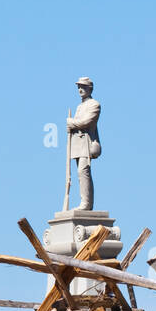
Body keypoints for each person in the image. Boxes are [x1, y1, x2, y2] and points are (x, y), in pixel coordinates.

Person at [66, 76, 101, 210]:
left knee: (83, 171)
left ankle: (86, 203)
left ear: (90, 89)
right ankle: (84, 201)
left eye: (83, 87)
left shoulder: (94, 105)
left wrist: (71, 123)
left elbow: (87, 122)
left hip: (87, 143)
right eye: (79, 87)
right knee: (80, 173)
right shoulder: (80, 106)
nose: (80, 89)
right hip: (77, 144)